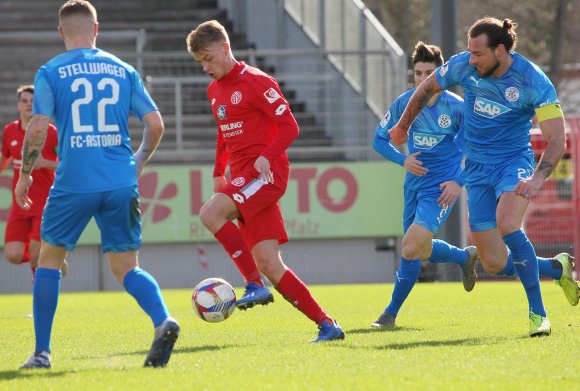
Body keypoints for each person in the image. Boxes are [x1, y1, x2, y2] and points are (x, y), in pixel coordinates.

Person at [388, 17, 579, 337]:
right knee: (492, 263)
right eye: (469, 52)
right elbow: (426, 88)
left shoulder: (533, 81)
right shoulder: (464, 66)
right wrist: (404, 125)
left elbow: (557, 139)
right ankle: (556, 268)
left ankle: (538, 315)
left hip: (512, 164)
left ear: (500, 51)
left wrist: (536, 179)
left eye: (478, 54)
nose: (470, 59)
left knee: (508, 224)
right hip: (476, 170)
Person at [16, 0, 179, 369]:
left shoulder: (51, 71)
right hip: (120, 180)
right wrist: (138, 161)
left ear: (61, 32)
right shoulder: (123, 69)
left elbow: (39, 125)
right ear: (96, 29)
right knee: (127, 267)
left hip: (74, 182)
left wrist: (25, 175)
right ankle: (163, 319)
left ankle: (42, 353)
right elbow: (155, 124)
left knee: (50, 261)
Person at [186, 20, 344, 343]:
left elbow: (290, 126)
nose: (206, 66)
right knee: (272, 265)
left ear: (225, 48)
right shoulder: (214, 90)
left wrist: (267, 155)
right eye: (200, 61)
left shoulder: (257, 81)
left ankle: (253, 284)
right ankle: (328, 325)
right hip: (243, 179)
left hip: (264, 175)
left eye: (208, 58)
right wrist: (219, 170)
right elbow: (222, 129)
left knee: (209, 214)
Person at [370, 42, 478, 328]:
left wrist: (458, 182)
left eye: (429, 72)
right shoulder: (406, 103)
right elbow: (379, 139)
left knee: (409, 248)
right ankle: (464, 257)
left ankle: (389, 315)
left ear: (440, 73)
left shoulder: (457, 108)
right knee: (420, 249)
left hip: (441, 190)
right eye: (418, 73)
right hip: (413, 186)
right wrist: (402, 161)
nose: (422, 79)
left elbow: (477, 149)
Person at [1, 85, 69, 280]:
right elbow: (4, 158)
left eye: (33, 101)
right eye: (24, 101)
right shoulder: (9, 131)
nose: (29, 104)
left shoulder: (52, 132)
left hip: (45, 202)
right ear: (18, 105)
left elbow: (68, 164)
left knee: (34, 254)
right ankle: (51, 258)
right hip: (20, 202)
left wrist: (46, 163)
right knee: (13, 255)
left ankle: (37, 305)